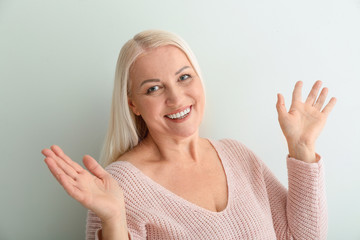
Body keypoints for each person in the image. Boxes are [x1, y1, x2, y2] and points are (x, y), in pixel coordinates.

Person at [42, 30, 337, 240]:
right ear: (132, 103)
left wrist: (302, 149)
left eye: (184, 77)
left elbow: (302, 237)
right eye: (153, 88)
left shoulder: (236, 154)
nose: (176, 97)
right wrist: (113, 220)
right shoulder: (118, 186)